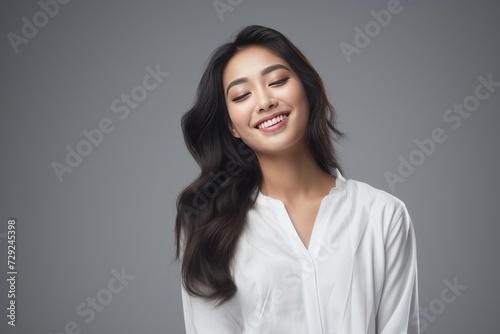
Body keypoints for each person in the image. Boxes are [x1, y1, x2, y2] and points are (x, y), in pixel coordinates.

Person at [175, 25, 420, 334]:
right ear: (232, 126)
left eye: (277, 81)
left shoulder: (383, 214)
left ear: (307, 89)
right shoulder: (207, 224)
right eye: (241, 95)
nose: (264, 101)